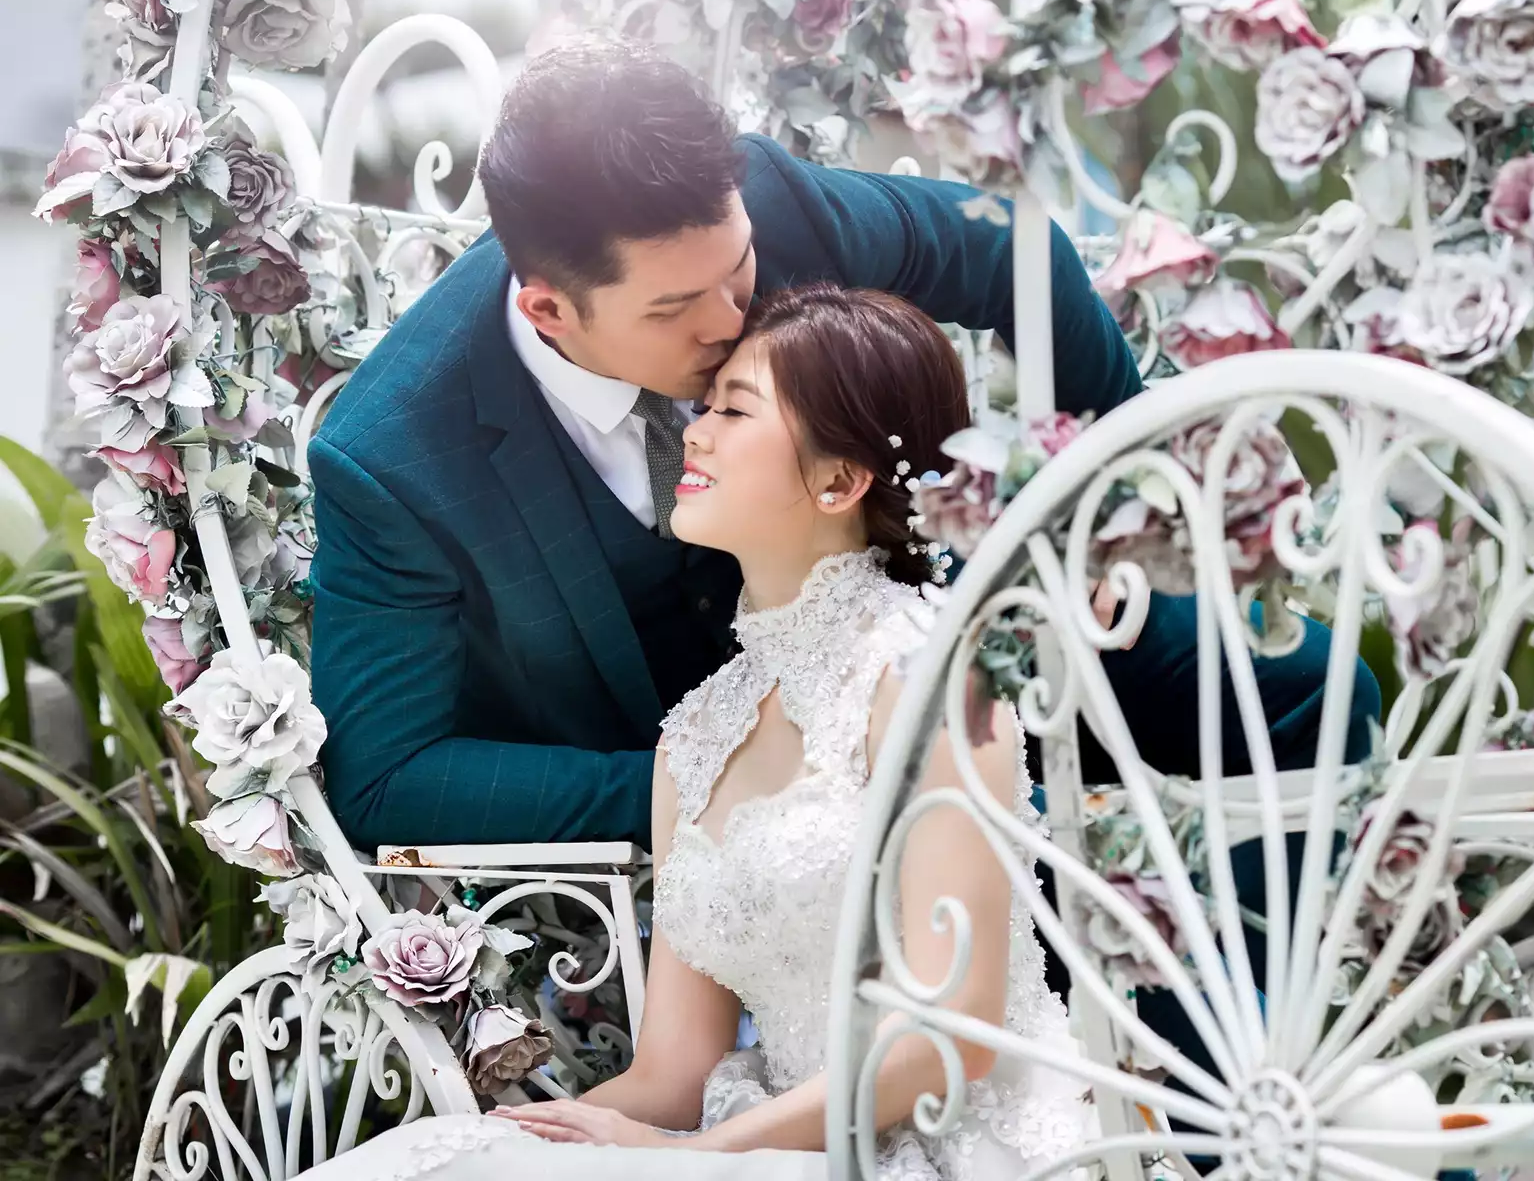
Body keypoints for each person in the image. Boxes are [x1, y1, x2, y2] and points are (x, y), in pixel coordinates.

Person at [304, 286, 1094, 1180]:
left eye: (735, 411)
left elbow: (958, 1033)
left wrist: (705, 1154)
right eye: (706, 406)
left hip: (961, 1148)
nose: (695, 433)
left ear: (839, 481)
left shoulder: (932, 674)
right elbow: (674, 1076)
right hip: (763, 1147)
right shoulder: (698, 731)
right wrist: (514, 1141)